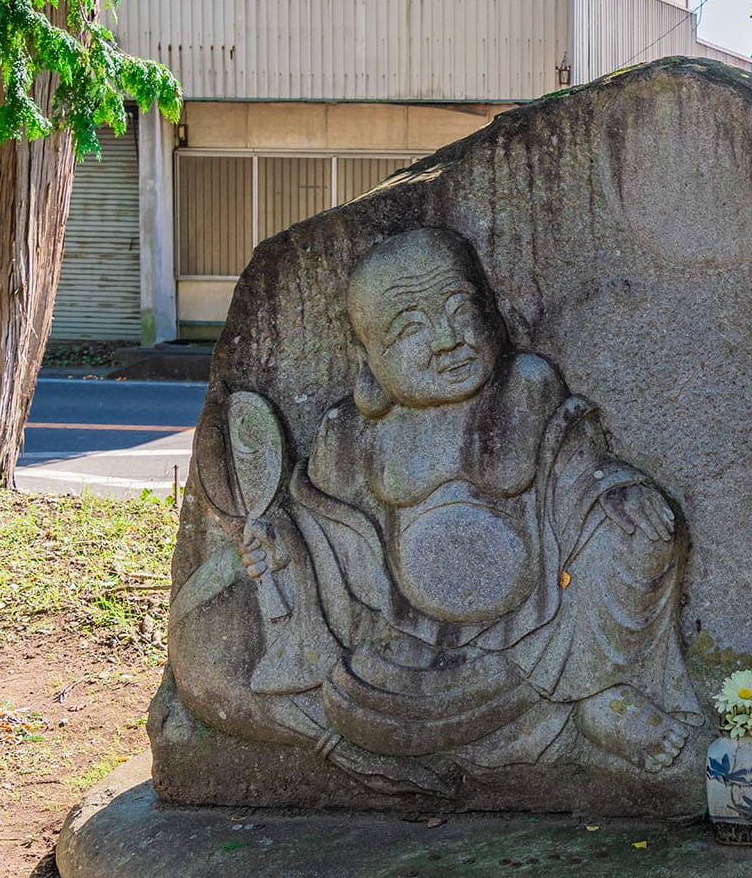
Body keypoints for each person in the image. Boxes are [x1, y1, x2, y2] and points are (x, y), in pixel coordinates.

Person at [172, 227, 702, 797]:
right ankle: (561, 710)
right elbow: (321, 538)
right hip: (410, 637)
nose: (449, 340)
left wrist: (618, 492)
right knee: (364, 708)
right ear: (368, 360)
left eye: (461, 310)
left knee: (641, 537)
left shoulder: (525, 389)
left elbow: (574, 468)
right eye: (410, 329)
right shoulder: (351, 434)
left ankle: (597, 690)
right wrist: (278, 546)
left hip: (549, 618)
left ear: (492, 315)